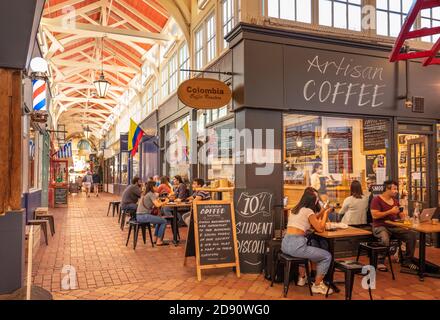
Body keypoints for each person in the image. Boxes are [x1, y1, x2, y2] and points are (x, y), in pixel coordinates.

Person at [282, 187, 334, 295]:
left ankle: (302, 278)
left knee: (306, 250)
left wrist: (322, 211)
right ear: (312, 201)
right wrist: (325, 214)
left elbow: (312, 219)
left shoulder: (295, 209)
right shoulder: (308, 211)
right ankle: (317, 285)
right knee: (326, 256)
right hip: (297, 246)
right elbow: (320, 228)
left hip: (285, 244)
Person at [370, 180, 418, 271]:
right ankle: (380, 261)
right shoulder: (376, 199)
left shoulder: (395, 201)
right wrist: (390, 211)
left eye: (396, 189)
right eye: (394, 189)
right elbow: (374, 215)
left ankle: (407, 260)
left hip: (393, 226)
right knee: (385, 239)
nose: (396, 191)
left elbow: (400, 214)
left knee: (411, 235)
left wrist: (404, 216)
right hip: (380, 226)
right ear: (387, 189)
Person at [136, 181, 169, 246]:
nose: (157, 187)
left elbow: (154, 204)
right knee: (164, 221)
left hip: (139, 216)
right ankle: (159, 241)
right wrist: (166, 201)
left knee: (159, 220)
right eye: (156, 186)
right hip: (143, 216)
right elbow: (157, 205)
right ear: (153, 187)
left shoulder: (146, 193)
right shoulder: (151, 194)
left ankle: (155, 239)